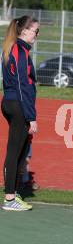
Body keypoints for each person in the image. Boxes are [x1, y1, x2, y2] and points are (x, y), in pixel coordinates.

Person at [1, 15, 39, 211]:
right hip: (17, 104)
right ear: (24, 31)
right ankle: (9, 199)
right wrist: (31, 117)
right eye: (35, 31)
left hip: (12, 102)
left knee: (21, 151)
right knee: (15, 151)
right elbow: (22, 85)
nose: (36, 35)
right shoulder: (19, 51)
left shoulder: (14, 48)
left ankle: (12, 194)